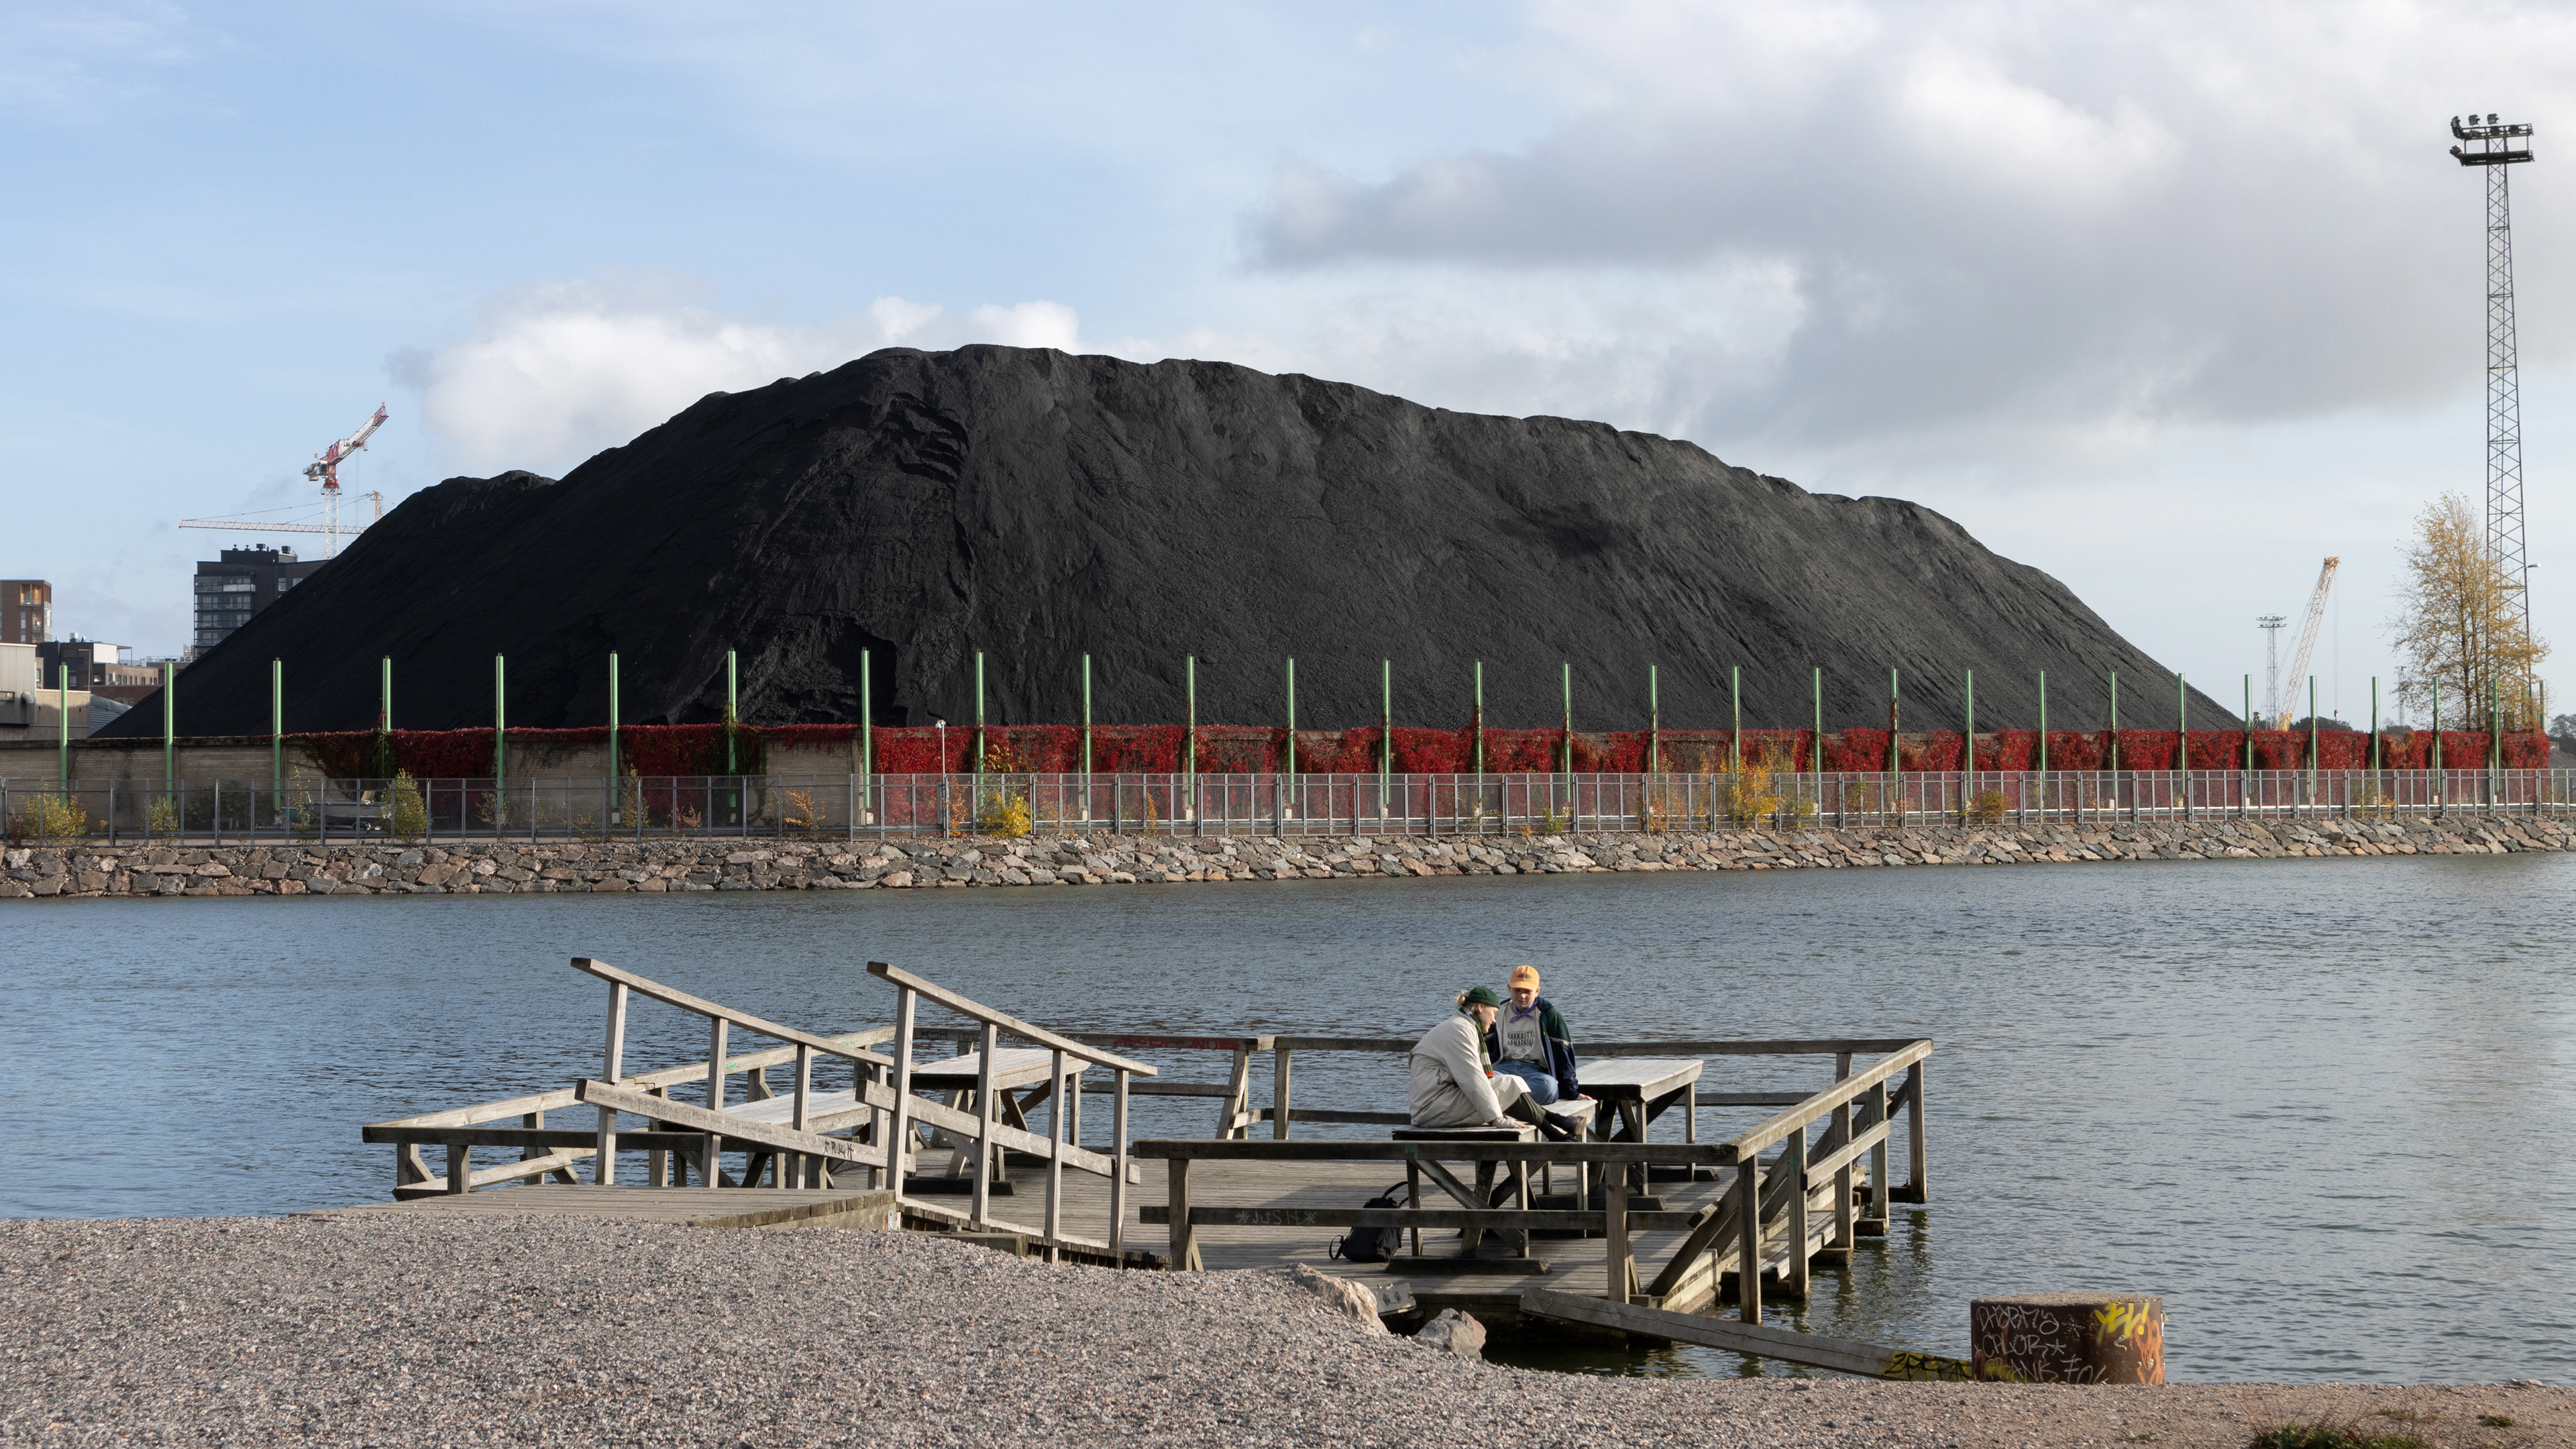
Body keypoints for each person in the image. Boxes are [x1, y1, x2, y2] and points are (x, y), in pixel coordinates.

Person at [1409, 985, 1569, 1137]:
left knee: (1508, 1083)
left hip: (1442, 1100)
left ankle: (1558, 1127)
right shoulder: (1460, 1030)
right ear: (1480, 1008)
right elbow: (1473, 1080)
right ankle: (1556, 1129)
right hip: (1431, 1109)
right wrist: (1497, 1120)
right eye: (1494, 1013)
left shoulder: (1464, 1027)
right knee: (1506, 1084)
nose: (1495, 1020)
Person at [1484, 964, 1581, 1108]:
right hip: (1503, 1069)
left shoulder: (1549, 1014)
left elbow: (1563, 1056)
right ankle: (1514, 1105)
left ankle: (1499, 1105)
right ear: (1509, 988)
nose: (1521, 996)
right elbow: (1483, 1049)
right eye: (1517, 990)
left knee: (1550, 1087)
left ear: (1537, 991)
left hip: (1535, 1072)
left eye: (1527, 991)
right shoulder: (1497, 1012)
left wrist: (1571, 1092)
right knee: (1482, 1081)